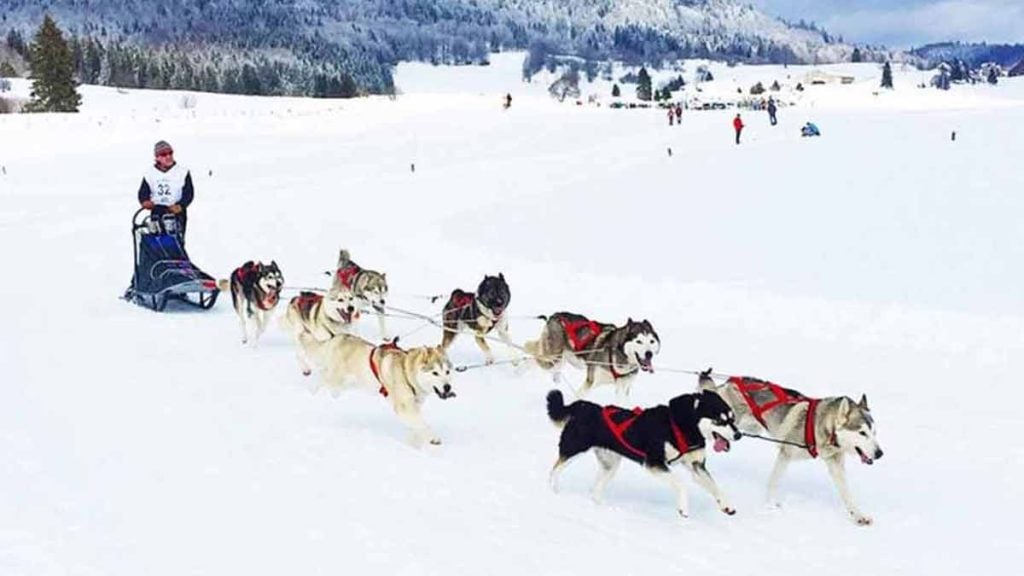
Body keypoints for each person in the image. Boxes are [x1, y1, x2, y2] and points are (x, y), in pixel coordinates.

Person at [138, 140, 194, 244]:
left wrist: (181, 205)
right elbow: (143, 192)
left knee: (175, 241)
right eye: (164, 154)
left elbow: (188, 193)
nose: (168, 157)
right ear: (157, 158)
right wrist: (145, 201)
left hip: (175, 211)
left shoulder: (182, 172)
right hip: (157, 211)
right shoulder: (150, 173)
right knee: (157, 240)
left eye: (170, 153)